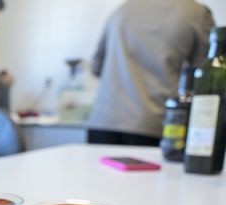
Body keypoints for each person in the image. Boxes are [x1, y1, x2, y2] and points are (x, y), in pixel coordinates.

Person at [87, 0, 214, 146]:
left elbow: (97, 67)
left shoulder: (122, 10)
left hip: (104, 121)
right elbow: (206, 75)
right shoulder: (196, 13)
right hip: (156, 123)